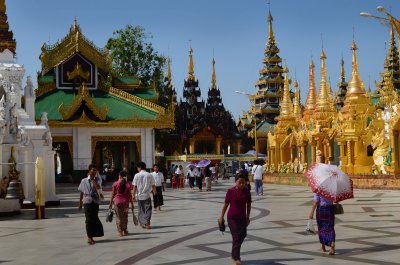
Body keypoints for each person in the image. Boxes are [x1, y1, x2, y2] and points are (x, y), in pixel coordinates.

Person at [218, 173, 251, 265]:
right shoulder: (230, 191)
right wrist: (221, 216)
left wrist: (248, 217)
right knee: (236, 237)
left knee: (243, 234)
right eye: (239, 182)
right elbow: (226, 205)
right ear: (235, 181)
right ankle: (236, 258)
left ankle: (234, 254)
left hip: (242, 217)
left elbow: (248, 205)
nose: (241, 184)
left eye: (243, 183)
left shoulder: (247, 192)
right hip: (232, 217)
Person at [78, 164, 104, 245]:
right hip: (87, 200)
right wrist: (80, 202)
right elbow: (81, 191)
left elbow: (98, 188)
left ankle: (93, 234)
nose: (94, 171)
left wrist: (93, 180)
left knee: (94, 218)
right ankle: (89, 237)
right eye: (93, 170)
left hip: (95, 201)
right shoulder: (84, 180)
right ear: (89, 170)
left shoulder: (98, 180)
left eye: (96, 170)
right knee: (88, 220)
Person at [109, 170, 134, 236]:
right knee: (125, 217)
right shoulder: (128, 184)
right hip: (125, 203)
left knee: (118, 217)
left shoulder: (115, 184)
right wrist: (132, 204)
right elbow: (130, 195)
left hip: (117, 202)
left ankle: (120, 232)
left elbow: (112, 195)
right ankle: (125, 230)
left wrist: (110, 203)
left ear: (119, 176)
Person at [132, 161, 156, 229]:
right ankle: (147, 223)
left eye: (137, 167)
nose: (137, 169)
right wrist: (154, 192)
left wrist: (133, 195)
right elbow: (153, 185)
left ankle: (143, 223)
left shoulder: (136, 175)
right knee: (148, 209)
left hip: (139, 196)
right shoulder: (149, 175)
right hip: (147, 195)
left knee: (141, 210)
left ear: (139, 167)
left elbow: (135, 186)